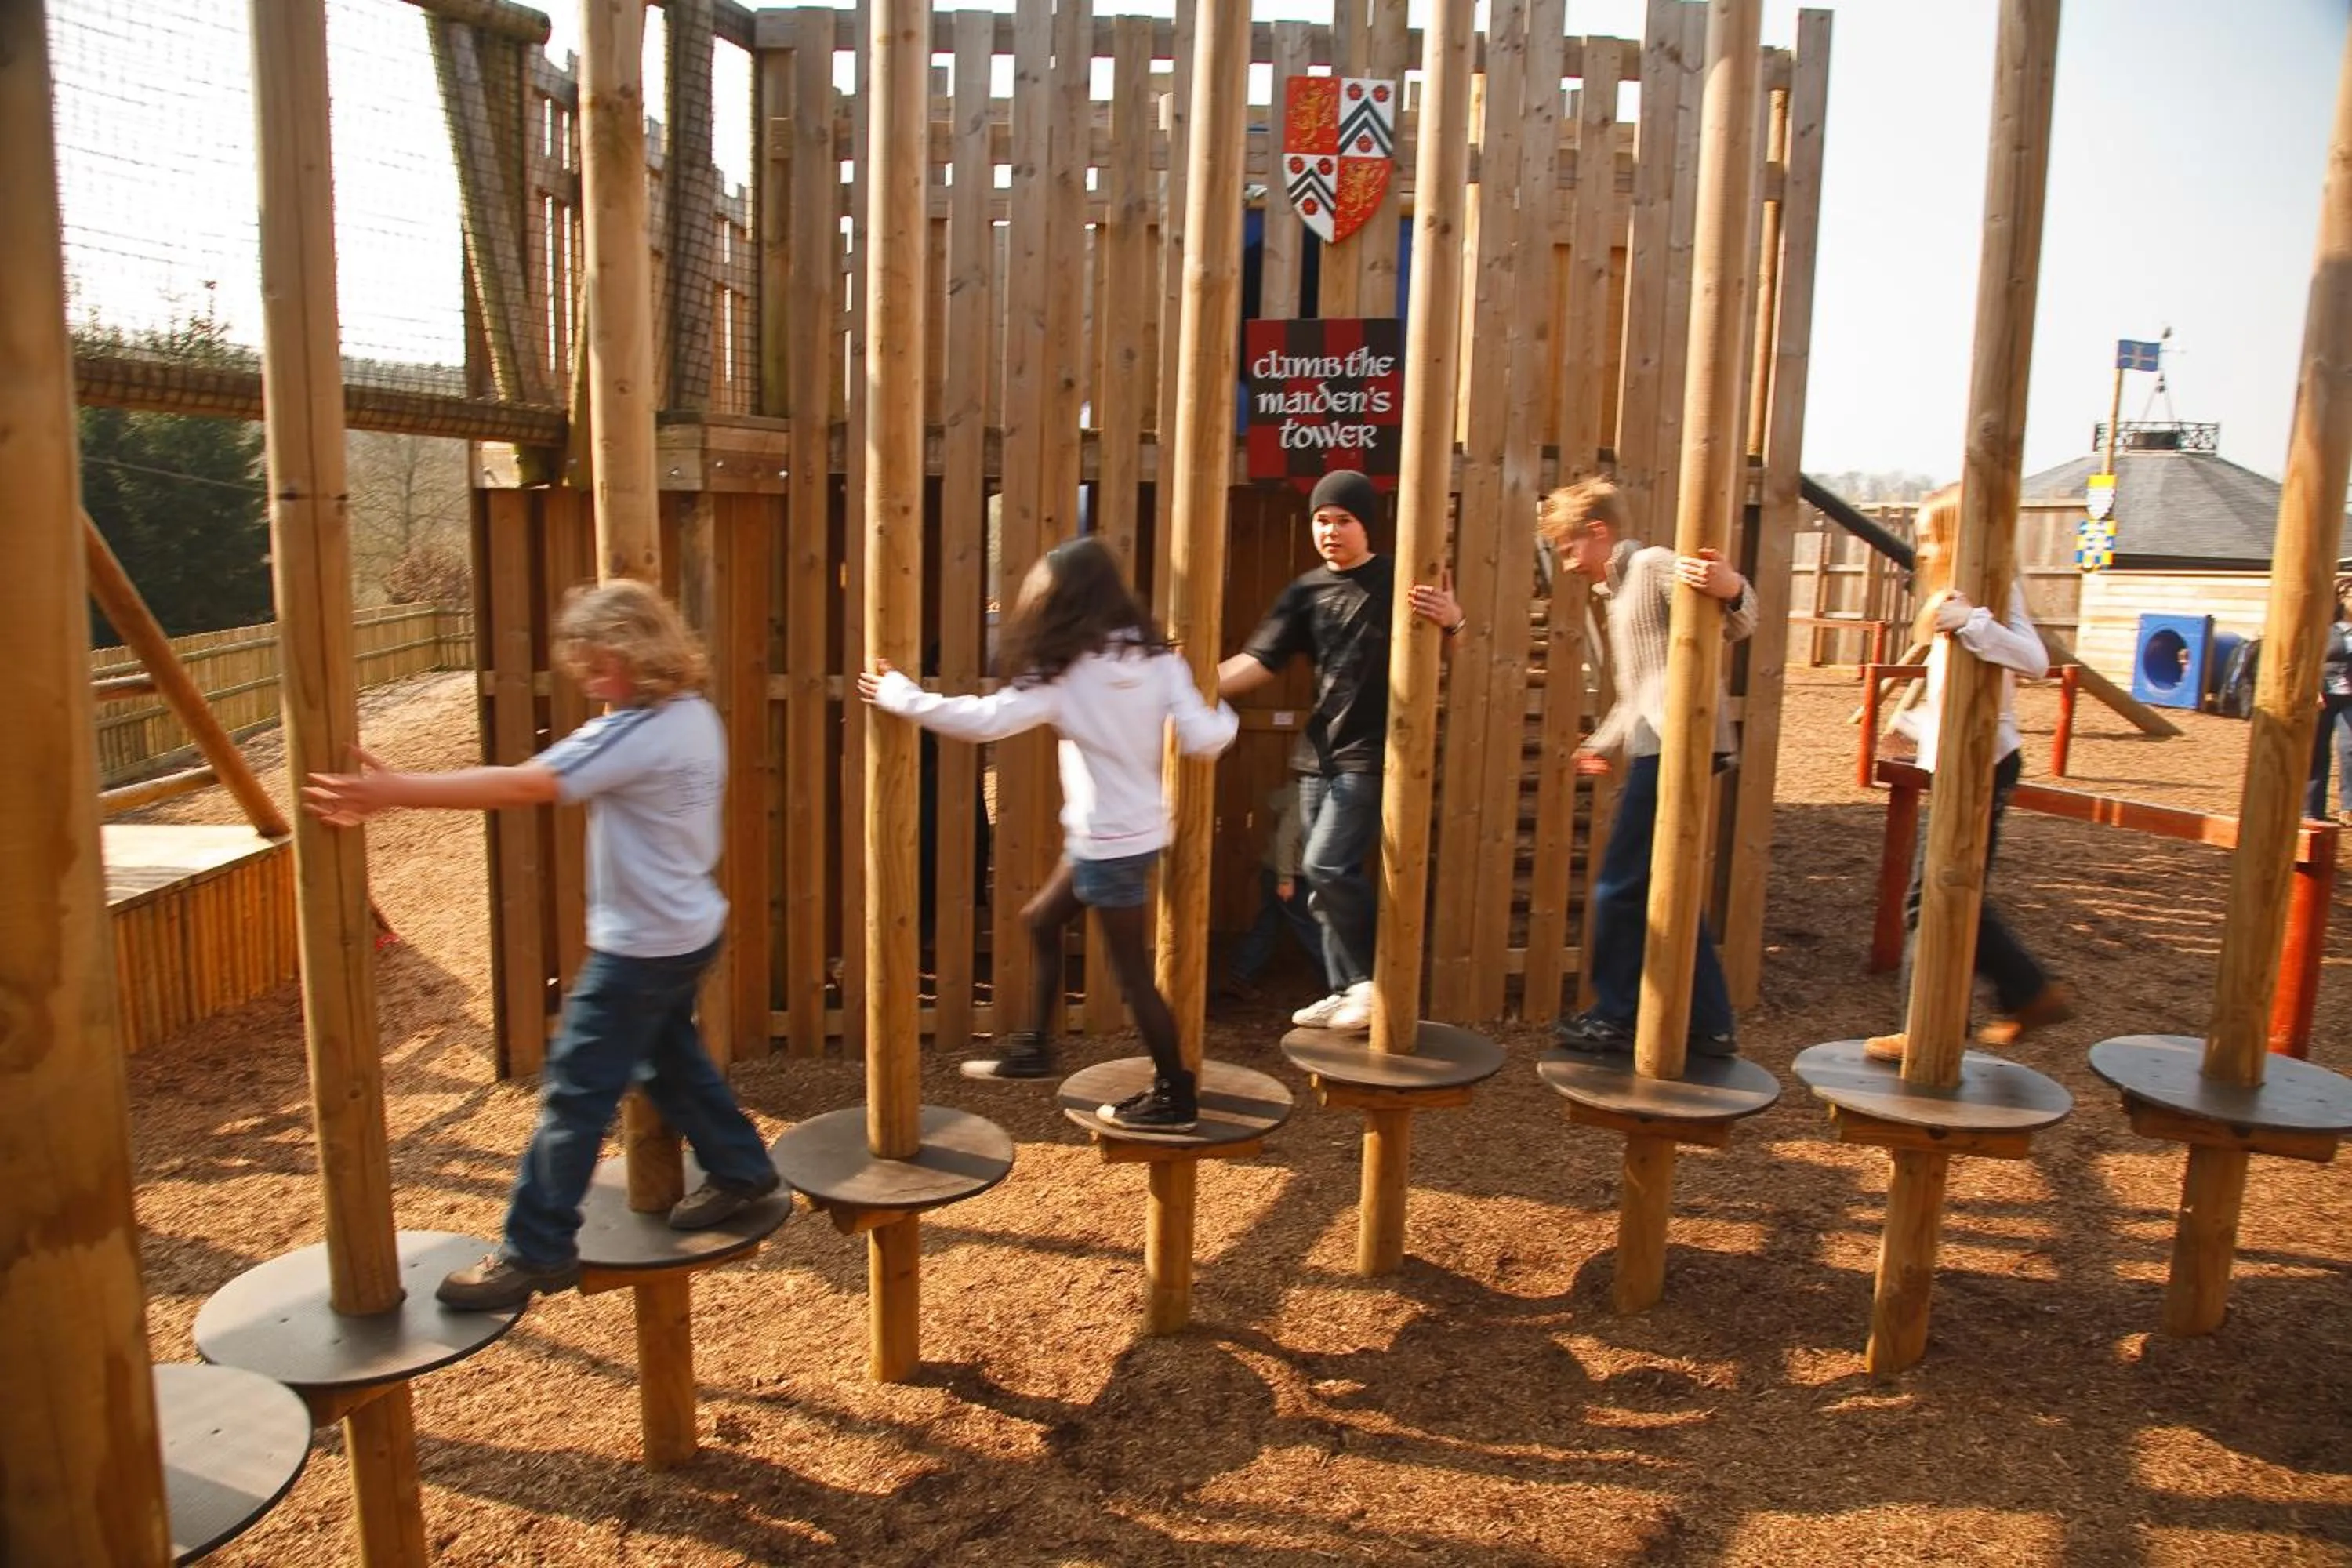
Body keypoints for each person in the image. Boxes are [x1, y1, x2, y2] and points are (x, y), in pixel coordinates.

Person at [303, 579, 782, 1312]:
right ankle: (742, 1168)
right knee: (666, 1058)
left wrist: (397, 790)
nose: (587, 677)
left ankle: (536, 1249)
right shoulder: (691, 714)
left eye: (598, 663)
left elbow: (526, 785)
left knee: (574, 1094)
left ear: (635, 652)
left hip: (641, 948)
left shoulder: (632, 733)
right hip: (688, 928)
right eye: (581, 663)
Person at [861, 535, 1237, 1131]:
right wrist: (1222, 710)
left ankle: (1175, 1095)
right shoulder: (1159, 662)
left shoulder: (1066, 674)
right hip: (1131, 834)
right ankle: (1035, 1048)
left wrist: (898, 694)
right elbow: (1206, 739)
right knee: (1041, 920)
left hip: (1106, 843)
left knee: (1132, 977)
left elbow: (983, 721)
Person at [1219, 469, 1463, 1034]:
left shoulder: (1398, 580)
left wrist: (1455, 623)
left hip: (1372, 751)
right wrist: (1194, 685)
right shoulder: (1305, 591)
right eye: (1322, 521)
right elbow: (1259, 661)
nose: (1330, 531)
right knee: (1321, 880)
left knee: (1325, 864)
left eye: (1343, 520)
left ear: (1366, 526)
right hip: (1317, 755)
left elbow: (1449, 648)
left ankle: (1369, 983)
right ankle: (1344, 990)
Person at [1539, 477, 1751, 1059]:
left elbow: (1737, 621)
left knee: (1618, 888)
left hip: (1680, 743)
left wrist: (1733, 588)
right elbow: (1637, 694)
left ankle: (1615, 1016)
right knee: (1665, 887)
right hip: (1658, 742)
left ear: (1598, 532)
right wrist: (1599, 744)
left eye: (1569, 548)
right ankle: (1710, 1025)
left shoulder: (1652, 565)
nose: (1568, 563)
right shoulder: (1617, 595)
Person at [1864, 485, 2074, 1062]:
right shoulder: (1952, 596)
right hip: (1959, 761)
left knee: (1936, 895)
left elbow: (2034, 661)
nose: (1922, 549)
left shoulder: (1992, 594)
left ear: (1961, 538)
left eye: (1931, 538)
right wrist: (1912, 726)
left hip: (1986, 763)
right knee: (1946, 891)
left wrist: (1975, 622)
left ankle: (1951, 1017)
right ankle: (2000, 1001)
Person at [1216, 777, 1323, 1003]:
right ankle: (1338, 983)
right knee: (1311, 928)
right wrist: (1285, 879)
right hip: (1289, 876)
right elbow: (1286, 840)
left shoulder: (1294, 794)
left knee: (1267, 926)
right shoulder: (1304, 798)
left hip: (1276, 871)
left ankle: (1240, 975)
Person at [2313, 579, 2352, 823]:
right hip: (2324, 695)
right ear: (2341, 599)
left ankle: (2349, 808)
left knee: (2349, 748)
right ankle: (2312, 809)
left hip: (2350, 697)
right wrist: (2313, 690)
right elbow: (2312, 659)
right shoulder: (2326, 629)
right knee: (2318, 749)